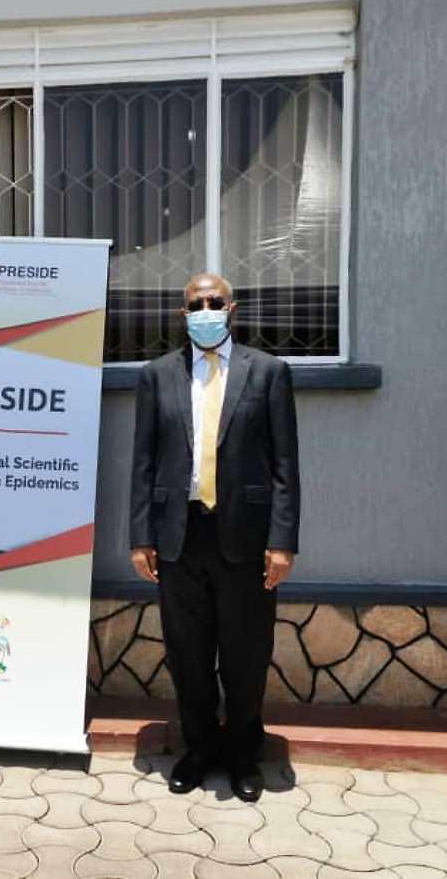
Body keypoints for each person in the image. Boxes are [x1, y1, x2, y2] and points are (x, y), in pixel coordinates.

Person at [129, 273, 300, 802]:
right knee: (189, 655)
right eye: (195, 305)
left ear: (232, 308)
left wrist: (283, 541)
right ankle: (200, 749)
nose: (205, 310)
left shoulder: (268, 372)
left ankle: (243, 756)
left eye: (214, 302)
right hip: (179, 538)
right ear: (183, 315)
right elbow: (143, 463)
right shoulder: (157, 376)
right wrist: (141, 536)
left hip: (246, 541)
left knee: (247, 656)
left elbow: (284, 465)